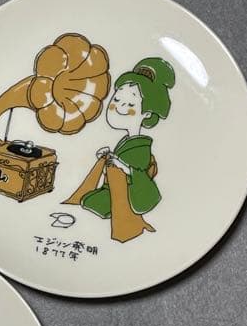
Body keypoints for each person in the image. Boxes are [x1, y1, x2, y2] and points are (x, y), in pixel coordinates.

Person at [64, 57, 175, 242]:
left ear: (147, 113)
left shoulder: (141, 148)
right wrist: (107, 158)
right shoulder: (127, 142)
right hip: (112, 191)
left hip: (123, 198)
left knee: (90, 206)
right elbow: (116, 167)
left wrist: (122, 166)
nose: (119, 107)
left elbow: (138, 175)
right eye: (117, 99)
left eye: (130, 104)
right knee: (88, 202)